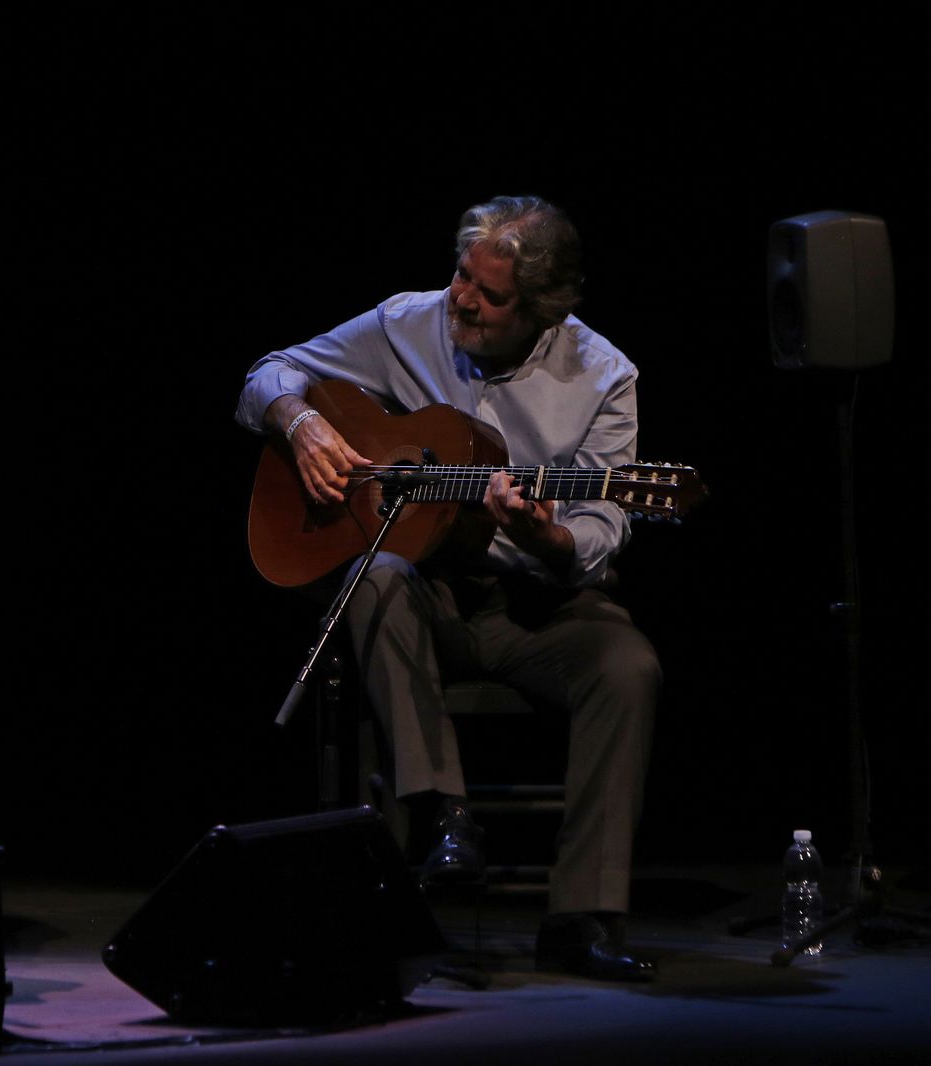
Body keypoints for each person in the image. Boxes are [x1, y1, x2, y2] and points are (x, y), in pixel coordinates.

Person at [236, 196, 660, 981]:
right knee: (377, 573)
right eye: (463, 275)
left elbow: (603, 527)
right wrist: (300, 423)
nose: (463, 299)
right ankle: (443, 814)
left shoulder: (604, 375)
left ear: (541, 310)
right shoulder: (408, 321)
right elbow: (266, 374)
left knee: (627, 667)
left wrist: (546, 534)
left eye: (490, 296)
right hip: (423, 598)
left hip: (539, 606)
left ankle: (582, 918)